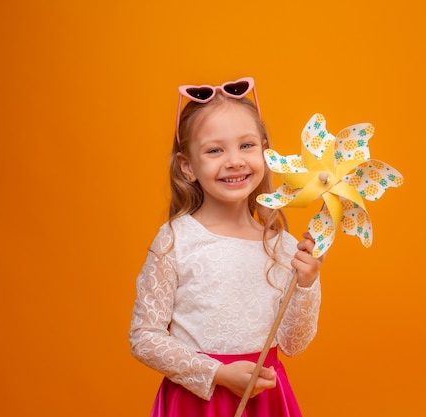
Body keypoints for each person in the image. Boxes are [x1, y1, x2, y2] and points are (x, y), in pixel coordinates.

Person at [129, 76, 324, 417]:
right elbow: (144, 336)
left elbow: (294, 343)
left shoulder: (284, 247)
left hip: (264, 398)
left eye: (246, 146)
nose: (234, 160)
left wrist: (306, 284)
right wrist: (216, 374)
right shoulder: (176, 239)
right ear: (187, 166)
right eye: (215, 150)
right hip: (197, 401)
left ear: (266, 152)